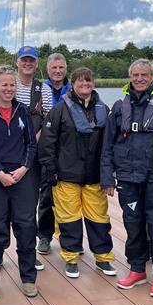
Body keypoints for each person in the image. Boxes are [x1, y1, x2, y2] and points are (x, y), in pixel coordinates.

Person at [101, 59, 153, 298]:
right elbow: (108, 145)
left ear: (152, 77)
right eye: (135, 75)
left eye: (144, 75)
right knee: (133, 225)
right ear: (130, 77)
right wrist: (108, 177)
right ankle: (137, 269)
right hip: (128, 179)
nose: (139, 78)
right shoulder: (119, 107)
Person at [38, 67, 115, 279]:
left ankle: (103, 257)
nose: (85, 84)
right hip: (66, 175)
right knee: (68, 218)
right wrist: (50, 169)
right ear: (72, 84)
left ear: (93, 83)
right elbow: (47, 142)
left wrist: (109, 173)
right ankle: (71, 258)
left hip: (94, 177)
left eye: (88, 81)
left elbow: (110, 145)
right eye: (80, 81)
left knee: (99, 218)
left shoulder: (104, 110)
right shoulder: (60, 110)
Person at [0, 65, 38, 298]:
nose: (9, 89)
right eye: (4, 84)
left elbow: (31, 144)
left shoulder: (23, 111)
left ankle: (28, 277)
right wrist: (0, 172)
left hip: (21, 175)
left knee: (26, 225)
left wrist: (24, 169)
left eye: (12, 85)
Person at [15, 45, 53, 272]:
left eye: (31, 60)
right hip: (7, 153)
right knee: (1, 210)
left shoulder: (44, 90)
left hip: (32, 153)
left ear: (37, 63)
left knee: (29, 208)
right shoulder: (7, 83)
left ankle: (28, 252)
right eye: (24, 60)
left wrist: (31, 145)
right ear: (17, 62)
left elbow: (47, 120)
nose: (27, 63)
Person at [37, 52, 69, 255]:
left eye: (61, 68)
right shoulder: (40, 90)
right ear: (48, 70)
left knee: (69, 197)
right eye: (54, 68)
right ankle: (44, 237)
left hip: (68, 150)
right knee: (46, 195)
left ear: (66, 69)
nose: (57, 71)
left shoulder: (74, 88)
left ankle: (69, 238)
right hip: (47, 148)